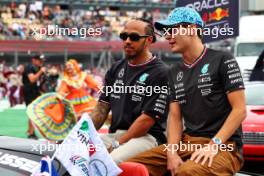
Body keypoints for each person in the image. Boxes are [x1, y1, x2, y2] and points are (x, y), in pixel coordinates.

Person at [125, 7, 246, 175]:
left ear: (192, 29)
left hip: (225, 145)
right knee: (129, 166)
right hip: (187, 143)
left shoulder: (223, 59)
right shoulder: (174, 71)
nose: (167, 36)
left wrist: (213, 145)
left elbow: (240, 110)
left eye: (172, 29)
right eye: (166, 31)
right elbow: (175, 117)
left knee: (186, 173)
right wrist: (172, 152)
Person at [90, 18, 170, 164]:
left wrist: (116, 144)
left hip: (146, 137)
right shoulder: (116, 68)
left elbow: (146, 120)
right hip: (116, 135)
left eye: (134, 37)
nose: (127, 41)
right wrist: (79, 136)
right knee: (75, 153)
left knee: (108, 162)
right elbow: (101, 109)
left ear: (149, 40)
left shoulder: (161, 72)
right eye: (123, 36)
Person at [22, 54, 46, 139]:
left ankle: (30, 130)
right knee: (32, 112)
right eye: (39, 60)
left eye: (42, 61)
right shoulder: (29, 67)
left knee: (37, 112)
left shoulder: (38, 68)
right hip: (29, 92)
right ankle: (31, 133)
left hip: (36, 92)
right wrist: (41, 72)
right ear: (34, 60)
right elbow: (32, 79)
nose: (41, 62)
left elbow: (40, 82)